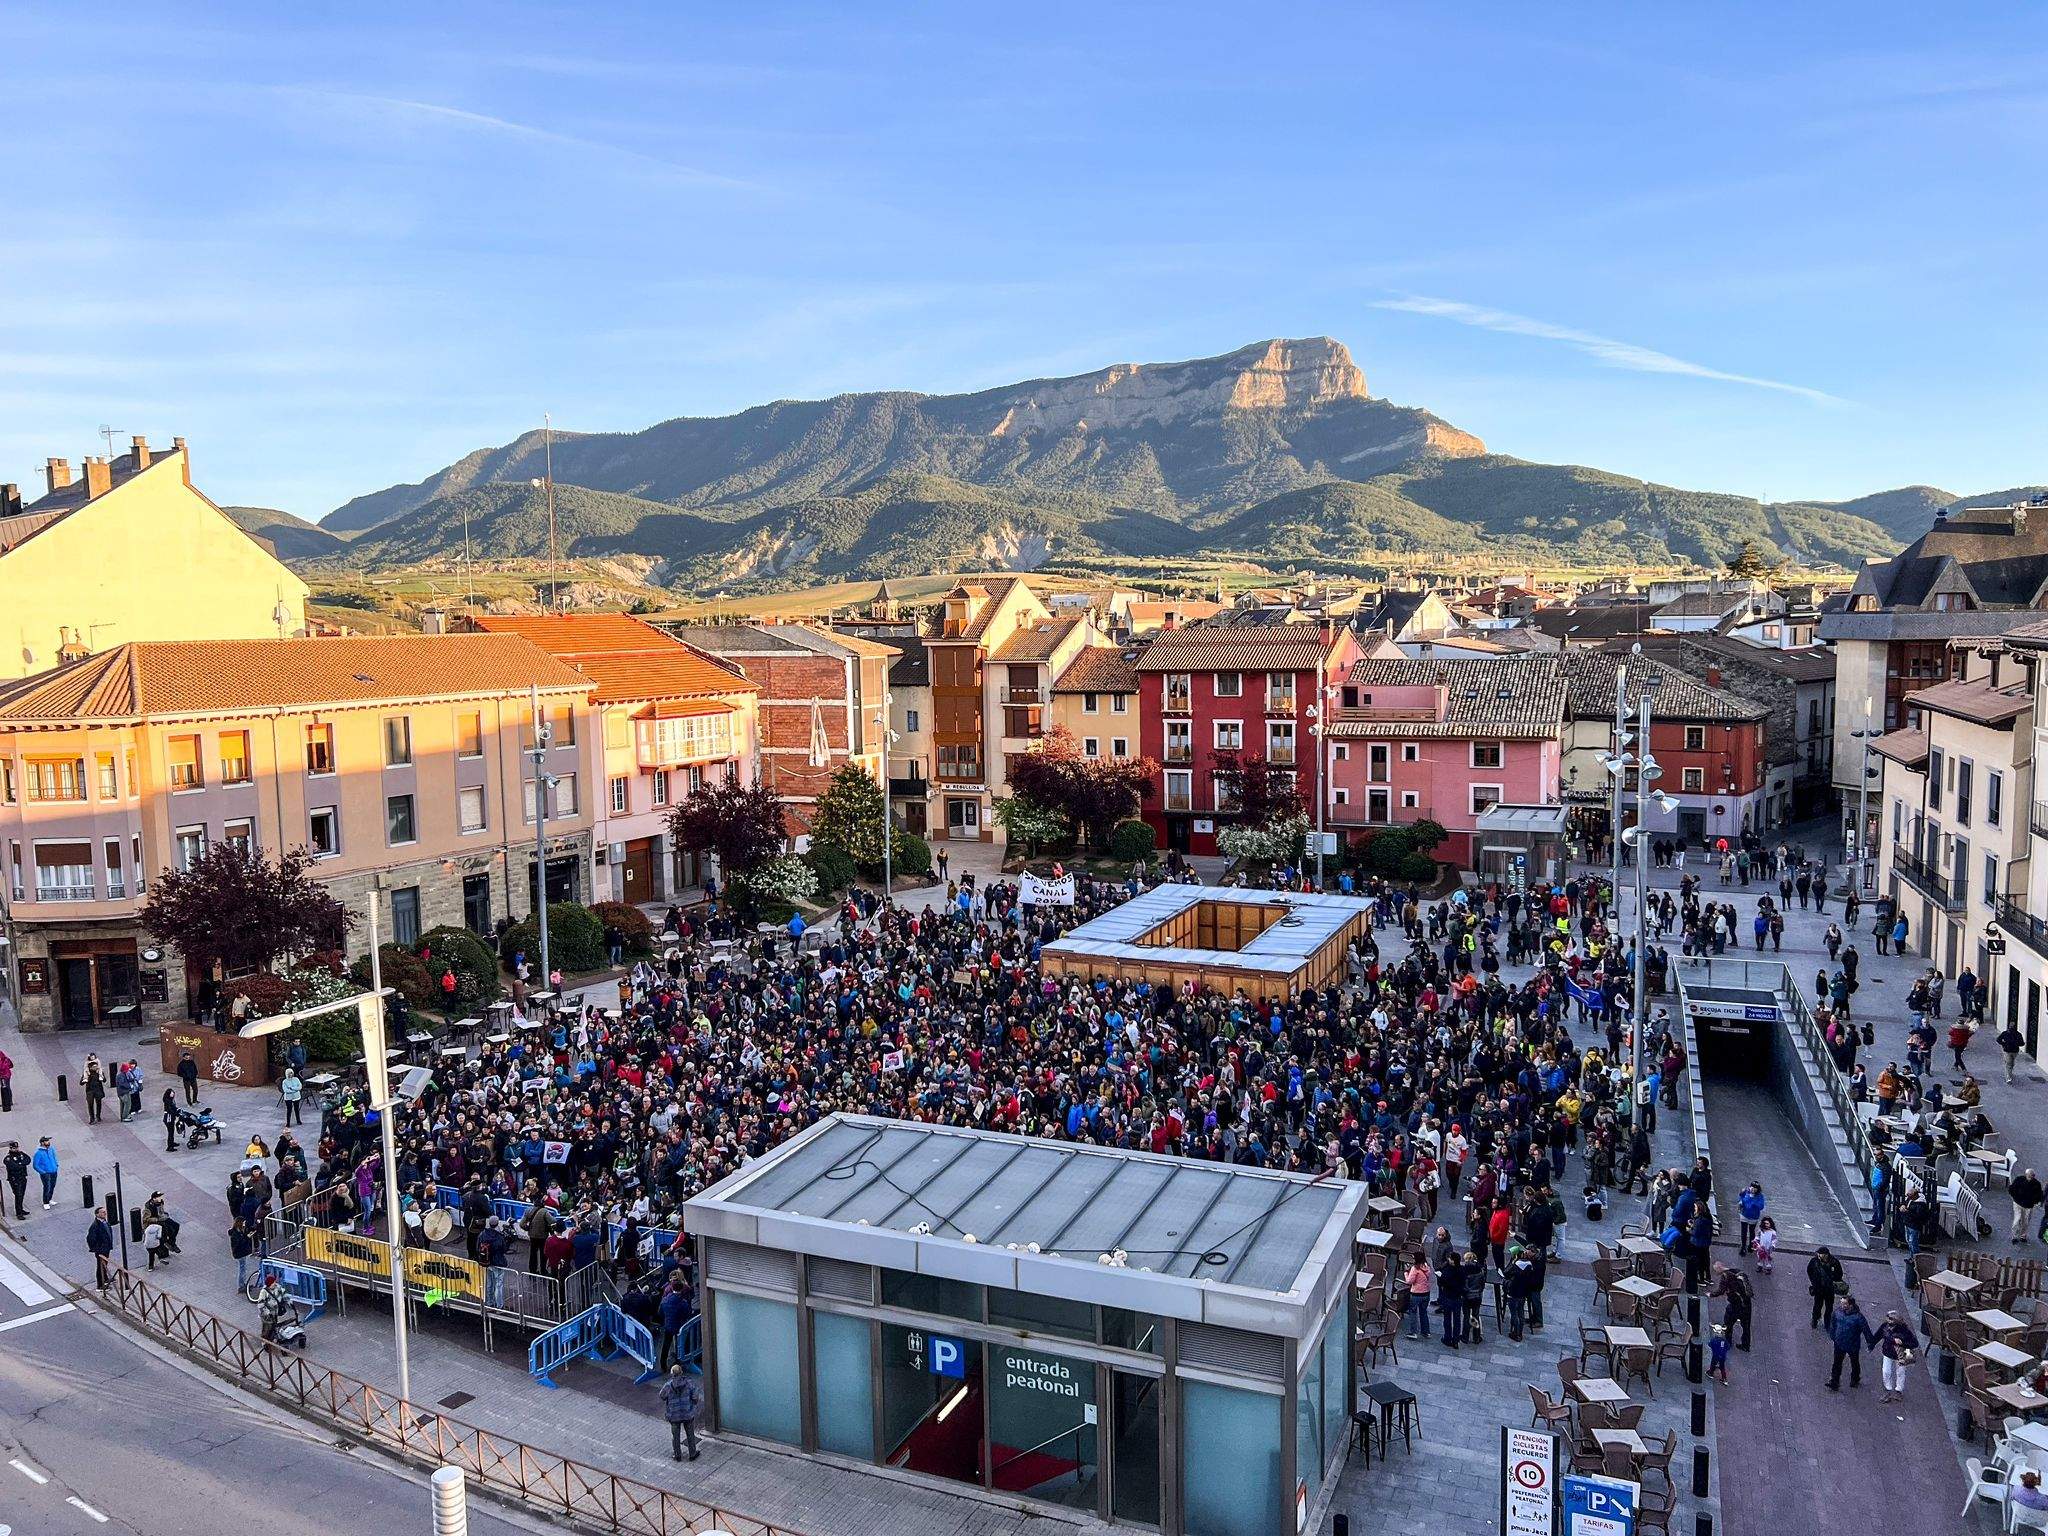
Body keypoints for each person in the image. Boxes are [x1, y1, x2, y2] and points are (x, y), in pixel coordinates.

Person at [1826, 1295, 1875, 1390]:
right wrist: (1833, 1336)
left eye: (1844, 1303)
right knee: (1837, 1363)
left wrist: (1870, 1343)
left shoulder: (1858, 1317)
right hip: (1839, 1343)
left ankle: (1855, 1378)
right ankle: (1834, 1381)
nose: (1842, 1305)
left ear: (1851, 1305)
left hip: (1852, 1344)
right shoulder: (1837, 1312)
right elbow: (1833, 1325)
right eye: (1841, 1303)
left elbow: (1866, 1330)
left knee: (1854, 1362)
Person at [1874, 1309, 1920, 1403]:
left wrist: (1903, 1343)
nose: (1887, 1320)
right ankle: (1888, 1389)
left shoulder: (1905, 1331)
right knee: (1886, 1371)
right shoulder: (1885, 1326)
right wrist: (1872, 1344)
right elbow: (1879, 1335)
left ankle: (1899, 1390)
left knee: (1900, 1372)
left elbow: (1915, 1343)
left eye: (1890, 1318)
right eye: (1887, 1318)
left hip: (1900, 1355)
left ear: (1896, 1320)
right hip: (1887, 1352)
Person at [659, 1364, 703, 1461]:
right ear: (681, 1372)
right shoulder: (689, 1383)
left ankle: (677, 1455)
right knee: (690, 1434)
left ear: (672, 1374)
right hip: (687, 1413)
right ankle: (692, 1454)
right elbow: (695, 1397)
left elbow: (662, 1396)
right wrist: (692, 1403)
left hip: (674, 1415)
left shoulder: (668, 1385)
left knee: (675, 1436)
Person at [1711, 1262, 1754, 1350]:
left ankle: (1728, 1342)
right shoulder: (1736, 1271)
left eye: (1715, 1270)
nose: (1715, 1272)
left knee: (1728, 1322)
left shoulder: (1725, 1277)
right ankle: (1746, 1345)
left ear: (1719, 1269)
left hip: (1735, 1304)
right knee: (1746, 1326)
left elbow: (1721, 1291)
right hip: (1747, 1303)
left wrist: (1711, 1294)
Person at [1807, 1246, 1844, 1329]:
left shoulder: (1834, 1262)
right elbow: (1809, 1270)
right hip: (1819, 1289)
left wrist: (1832, 1278)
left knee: (1829, 1306)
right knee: (1817, 1305)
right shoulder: (1814, 1261)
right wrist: (1814, 1281)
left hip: (1829, 1289)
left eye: (1820, 1254)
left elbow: (1839, 1274)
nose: (1818, 1255)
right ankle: (1815, 1319)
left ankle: (1827, 1321)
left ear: (1825, 1255)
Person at [2011, 1169, 2044, 1243]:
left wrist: (2035, 1202)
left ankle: (2023, 1236)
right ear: (2026, 1175)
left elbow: (2039, 1195)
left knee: (2025, 1222)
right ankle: (2014, 1236)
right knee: (2017, 1219)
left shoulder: (2037, 1184)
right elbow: (2012, 1189)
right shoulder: (2019, 1180)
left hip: (2028, 1206)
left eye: (2031, 1176)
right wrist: (2016, 1198)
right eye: (2029, 1176)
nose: (2030, 1178)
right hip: (2018, 1204)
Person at [86, 1209, 115, 1289]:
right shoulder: (95, 1226)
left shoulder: (104, 1222)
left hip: (106, 1248)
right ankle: (100, 1285)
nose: (105, 1213)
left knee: (104, 1264)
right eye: (102, 1212)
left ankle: (105, 1279)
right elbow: (90, 1239)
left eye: (105, 1211)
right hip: (101, 1249)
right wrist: (97, 1249)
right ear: (97, 1214)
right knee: (100, 1266)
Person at [1736, 1181, 1766, 1254]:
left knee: (1752, 1231)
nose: (1753, 1189)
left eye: (1755, 1188)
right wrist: (1741, 1200)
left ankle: (1751, 1245)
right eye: (1752, 1187)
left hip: (1753, 1217)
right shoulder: (1745, 1192)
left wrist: (1753, 1201)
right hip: (1744, 1215)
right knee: (1743, 1231)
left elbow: (1761, 1206)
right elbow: (1740, 1198)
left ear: (1758, 1189)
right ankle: (1743, 1246)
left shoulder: (1760, 1196)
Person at [30, 1136, 57, 1208]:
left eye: (48, 1141)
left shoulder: (51, 1149)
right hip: (46, 1173)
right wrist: (42, 1172)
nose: (48, 1142)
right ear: (42, 1143)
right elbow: (35, 1165)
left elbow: (54, 1157)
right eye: (46, 1141)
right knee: (47, 1187)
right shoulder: (38, 1153)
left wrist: (56, 1165)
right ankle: (46, 1202)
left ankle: (49, 1199)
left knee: (52, 1186)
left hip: (54, 1171)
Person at [2000, 1021, 2027, 1086]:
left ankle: (2009, 1074)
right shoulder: (2018, 1034)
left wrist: (2004, 1044)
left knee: (2010, 1063)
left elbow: (1998, 1040)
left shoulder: (2005, 1033)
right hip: (2013, 1051)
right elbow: (2022, 1043)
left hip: (2009, 1051)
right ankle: (2008, 1078)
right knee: (2009, 1063)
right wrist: (2017, 1043)